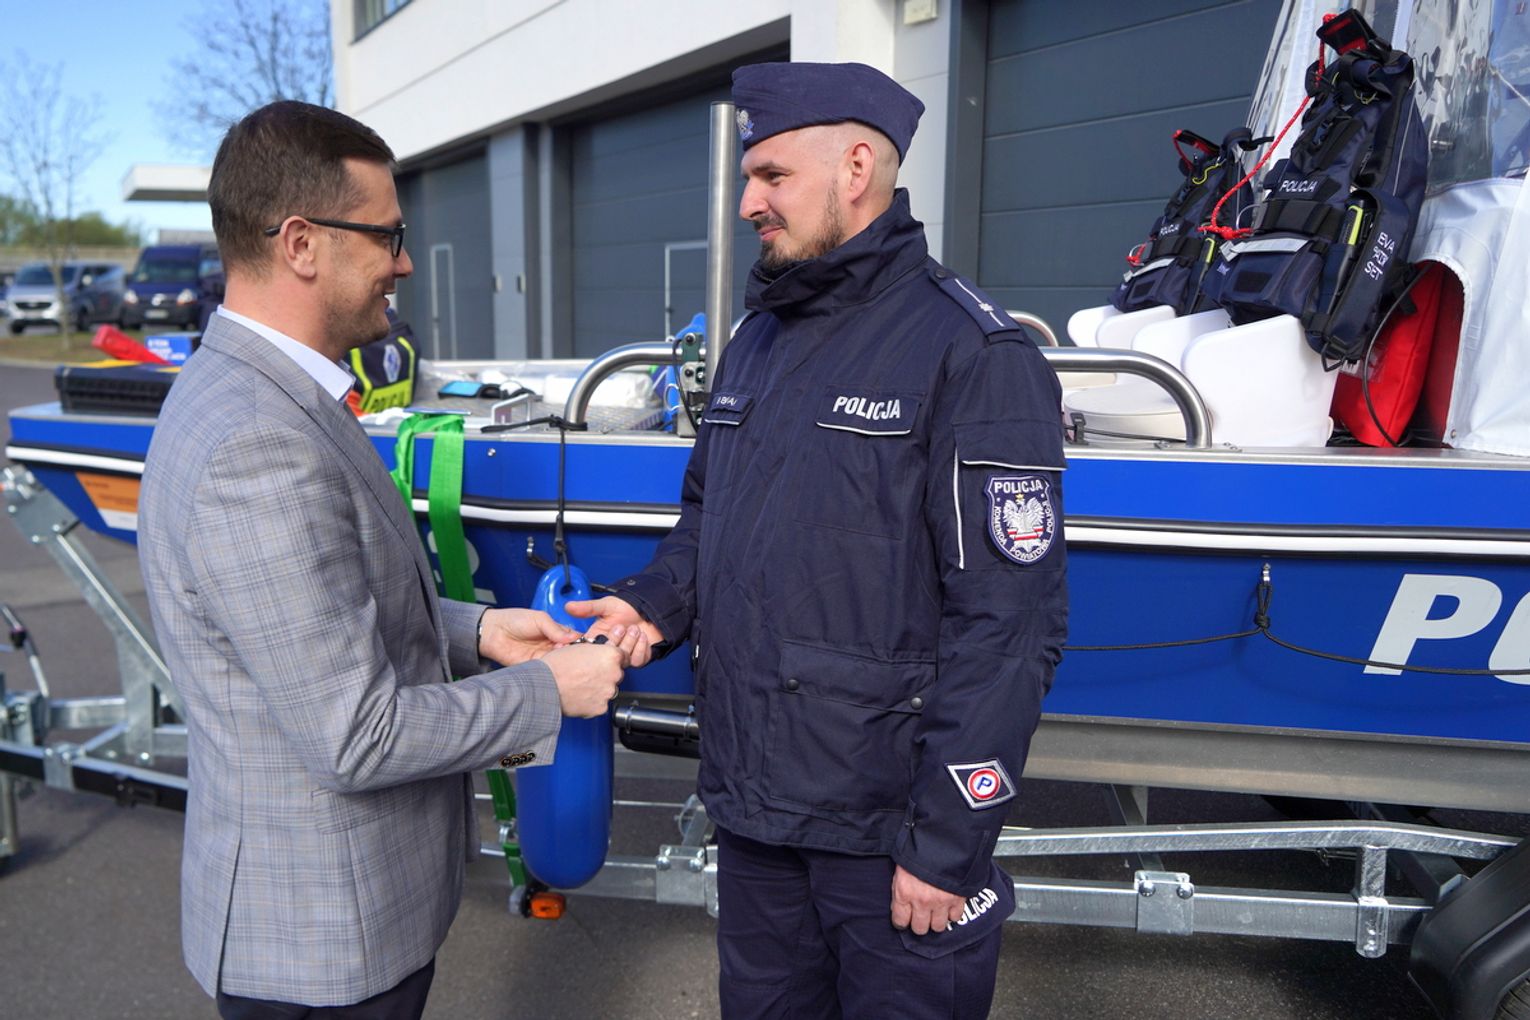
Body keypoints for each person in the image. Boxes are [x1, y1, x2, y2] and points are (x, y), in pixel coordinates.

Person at [566, 62, 1068, 1018]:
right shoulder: (758, 341)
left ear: (857, 167)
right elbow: (709, 522)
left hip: (889, 841)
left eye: (772, 176)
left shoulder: (972, 353)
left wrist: (948, 845)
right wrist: (651, 606)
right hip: (756, 819)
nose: (748, 203)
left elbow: (1010, 626)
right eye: (748, 178)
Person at [137, 100, 646, 1019]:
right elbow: (356, 736)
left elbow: (322, 607)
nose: (404, 262)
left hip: (338, 924)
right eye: (388, 235)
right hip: (320, 950)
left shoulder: (268, 395)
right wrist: (551, 690)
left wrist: (481, 631)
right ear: (302, 243)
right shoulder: (258, 442)